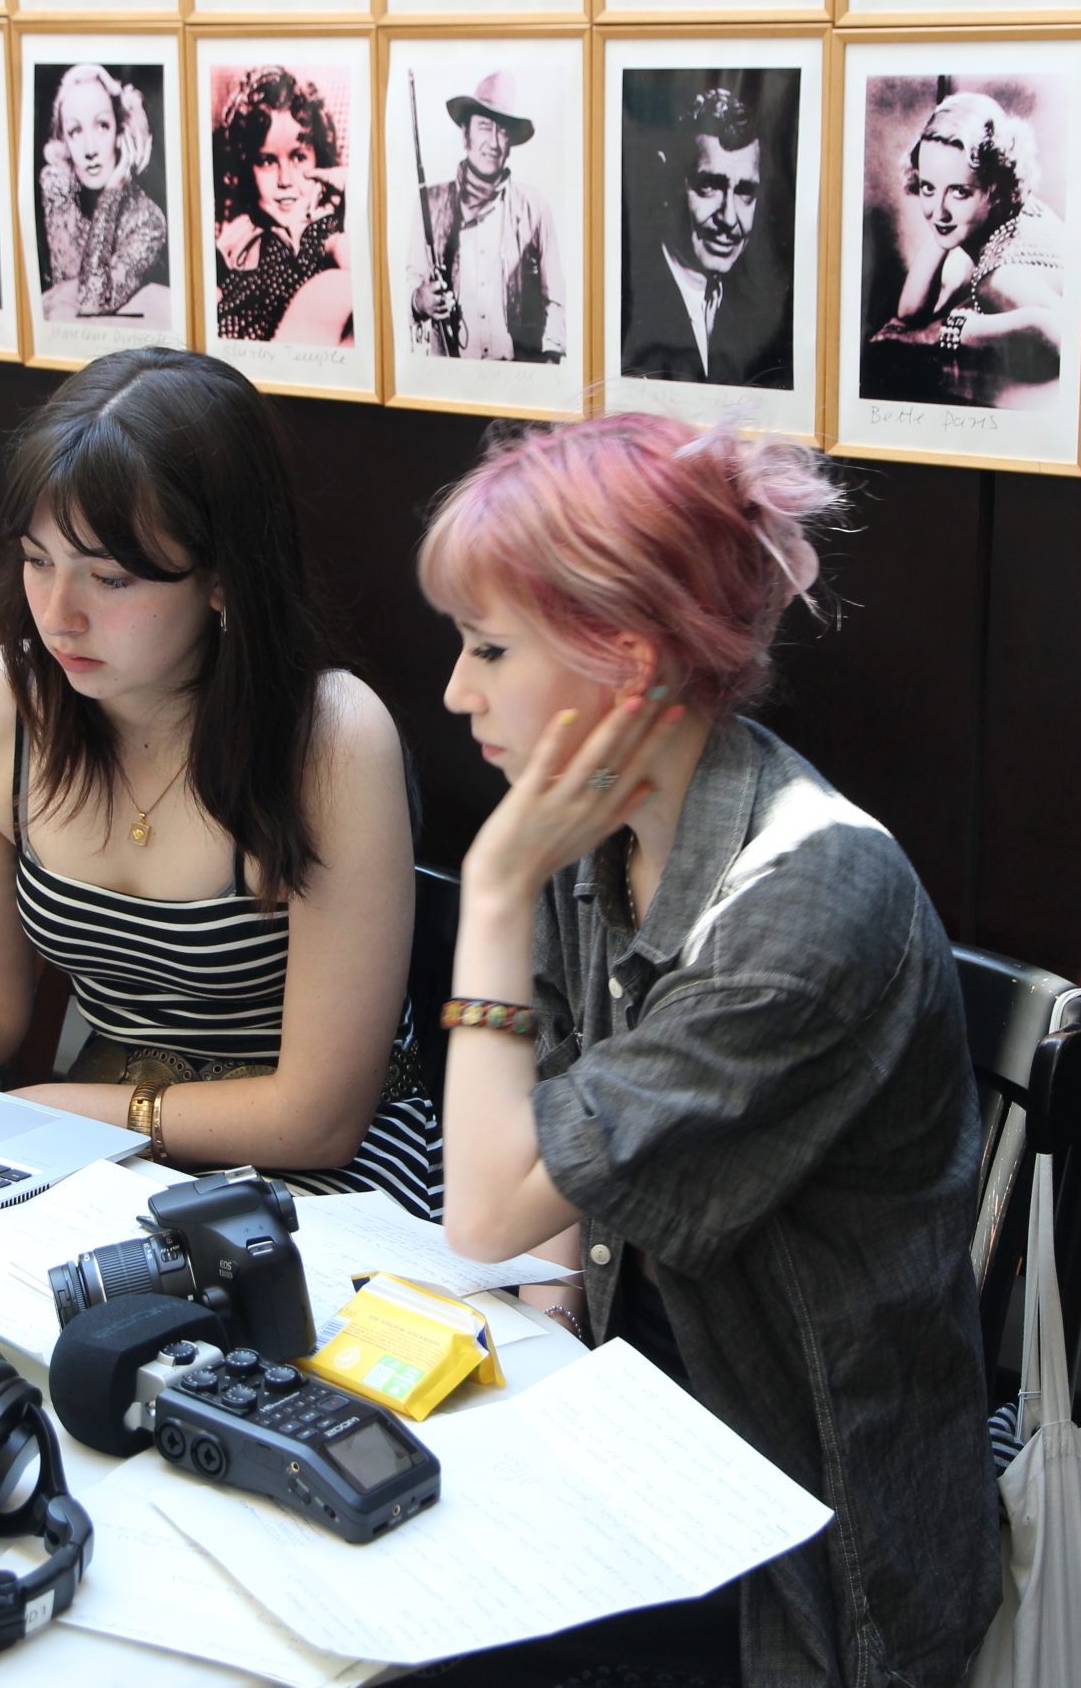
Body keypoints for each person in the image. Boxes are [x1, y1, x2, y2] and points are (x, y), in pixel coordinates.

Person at [416, 414, 998, 1682]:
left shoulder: (810, 904)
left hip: (796, 1546)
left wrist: (492, 896)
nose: (457, 690)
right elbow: (548, 1138)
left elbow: (486, 1207)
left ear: (622, 659)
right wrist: (549, 1310)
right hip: (633, 1439)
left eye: (488, 647)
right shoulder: (604, 819)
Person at [0, 348, 442, 1221]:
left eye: (111, 577)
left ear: (223, 577)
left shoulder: (330, 739)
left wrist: (68, 1112)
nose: (59, 614)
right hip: (101, 1147)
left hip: (321, 1181)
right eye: (38, 560)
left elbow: (318, 1118)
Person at [868, 89, 1063, 405]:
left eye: (959, 191)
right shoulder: (997, 220)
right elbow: (910, 311)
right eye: (928, 187)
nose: (938, 210)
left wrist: (951, 332)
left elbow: (1063, 330)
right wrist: (945, 224)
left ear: (994, 188)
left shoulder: (1001, 278)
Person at [619, 85, 791, 391]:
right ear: (668, 183)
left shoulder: (763, 314)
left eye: (745, 192)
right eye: (709, 186)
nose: (729, 218)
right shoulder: (624, 304)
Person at [403, 70, 564, 365]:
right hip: (450, 379)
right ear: (465, 133)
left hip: (518, 378)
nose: (493, 142)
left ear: (511, 143)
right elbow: (404, 290)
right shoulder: (430, 203)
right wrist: (419, 301)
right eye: (484, 127)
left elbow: (554, 302)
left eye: (502, 131)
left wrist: (549, 368)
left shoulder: (536, 208)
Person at [212, 65, 351, 345]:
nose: (284, 180)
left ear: (319, 160)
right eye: (267, 162)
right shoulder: (240, 232)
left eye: (298, 157)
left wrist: (348, 187)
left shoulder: (322, 228)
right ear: (246, 168)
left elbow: (356, 273)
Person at [36, 64, 168, 323]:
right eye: (75, 131)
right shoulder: (59, 188)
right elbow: (65, 290)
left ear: (121, 132)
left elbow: (91, 302)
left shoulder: (149, 220)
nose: (90, 149)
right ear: (64, 142)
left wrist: (111, 194)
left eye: (102, 126)